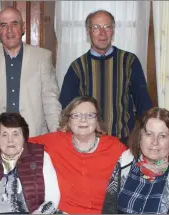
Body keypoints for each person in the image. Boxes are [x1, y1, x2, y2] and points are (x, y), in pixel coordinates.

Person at [0, 96, 127, 214]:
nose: (83, 120)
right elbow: (16, 141)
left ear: (97, 120)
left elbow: (136, 166)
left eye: (90, 115)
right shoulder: (55, 141)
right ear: (68, 120)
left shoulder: (114, 147)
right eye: (76, 115)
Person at [0, 6, 61, 154]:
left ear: (23, 28)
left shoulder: (42, 57)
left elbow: (50, 99)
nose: (9, 30)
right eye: (4, 25)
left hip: (34, 137)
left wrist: (57, 133)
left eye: (14, 24)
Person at [59, 9, 153, 144]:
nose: (102, 33)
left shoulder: (129, 61)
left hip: (124, 142)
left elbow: (144, 104)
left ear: (113, 31)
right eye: (96, 27)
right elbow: (66, 108)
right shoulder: (77, 67)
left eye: (107, 27)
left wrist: (145, 137)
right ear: (88, 32)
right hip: (88, 142)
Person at [102, 107, 169, 214]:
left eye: (162, 136)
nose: (154, 142)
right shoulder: (125, 160)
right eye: (149, 134)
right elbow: (109, 208)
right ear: (140, 136)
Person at [0, 112, 60, 214]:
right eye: (4, 135)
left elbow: (52, 197)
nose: (10, 140)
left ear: (24, 137)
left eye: (15, 134)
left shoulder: (41, 156)